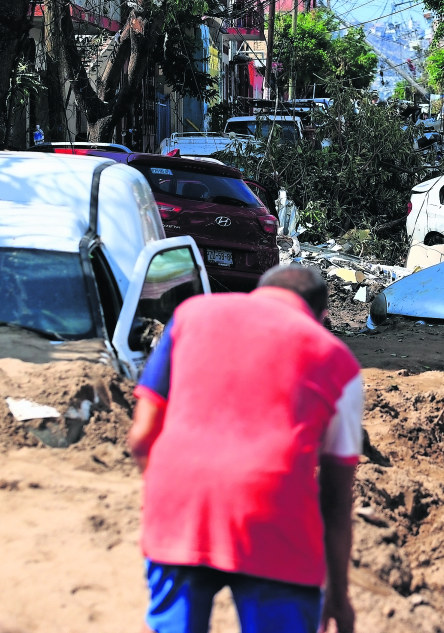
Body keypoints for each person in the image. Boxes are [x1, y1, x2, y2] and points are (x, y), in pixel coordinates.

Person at [127, 264, 362, 633]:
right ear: (321, 316)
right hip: (273, 517)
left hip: (180, 504)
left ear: (259, 291)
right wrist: (338, 595)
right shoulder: (339, 361)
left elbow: (142, 435)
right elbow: (335, 498)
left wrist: (165, 501)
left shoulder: (191, 315)